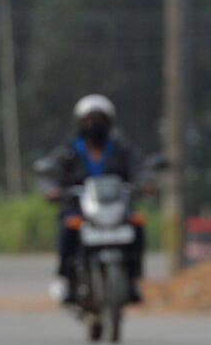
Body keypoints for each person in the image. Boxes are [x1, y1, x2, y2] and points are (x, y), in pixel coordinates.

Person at [42, 94, 145, 304]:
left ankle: (133, 279)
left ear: (110, 123)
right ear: (80, 123)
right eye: (89, 120)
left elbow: (140, 169)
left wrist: (146, 183)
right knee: (68, 226)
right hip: (81, 208)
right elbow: (51, 172)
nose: (95, 125)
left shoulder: (121, 149)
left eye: (100, 120)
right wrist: (53, 189)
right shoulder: (69, 151)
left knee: (137, 223)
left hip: (116, 207)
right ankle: (66, 279)